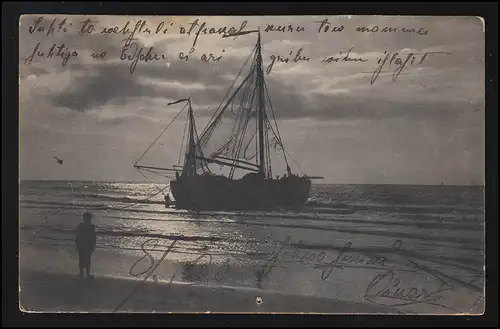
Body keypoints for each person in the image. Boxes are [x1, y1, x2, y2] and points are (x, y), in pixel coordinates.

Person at [75, 211, 97, 280]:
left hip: (84, 246)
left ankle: (83, 274)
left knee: (84, 260)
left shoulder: (81, 226)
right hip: (85, 246)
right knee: (86, 260)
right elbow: (94, 238)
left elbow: (77, 237)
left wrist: (77, 244)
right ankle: (85, 274)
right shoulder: (90, 227)